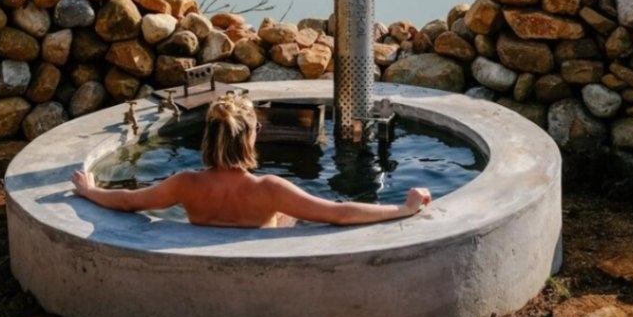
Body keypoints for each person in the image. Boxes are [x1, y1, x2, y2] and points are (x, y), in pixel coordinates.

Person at [71, 91, 431, 228]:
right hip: (261, 241)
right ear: (250, 137)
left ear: (209, 138)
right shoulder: (270, 189)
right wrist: (404, 209)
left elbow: (128, 201)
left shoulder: (185, 183)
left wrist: (89, 191)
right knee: (289, 214)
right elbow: (340, 213)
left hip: (205, 224)